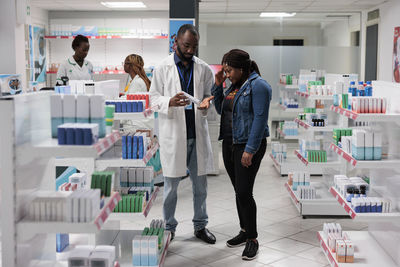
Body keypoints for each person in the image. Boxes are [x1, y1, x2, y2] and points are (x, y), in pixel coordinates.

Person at [149, 24, 216, 244]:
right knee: (170, 188)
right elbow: (153, 99)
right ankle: (169, 227)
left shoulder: (204, 68)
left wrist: (207, 103)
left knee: (200, 187)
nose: (190, 50)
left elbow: (209, 95)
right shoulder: (162, 68)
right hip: (173, 135)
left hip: (196, 133)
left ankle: (200, 226)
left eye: (194, 46)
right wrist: (169, 101)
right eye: (186, 45)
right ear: (175, 42)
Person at [211, 49, 272, 260]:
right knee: (239, 190)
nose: (226, 74)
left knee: (245, 192)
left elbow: (260, 120)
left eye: (229, 71)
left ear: (242, 68)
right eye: (224, 71)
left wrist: (250, 150)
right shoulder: (234, 87)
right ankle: (244, 230)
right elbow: (221, 109)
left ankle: (252, 239)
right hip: (230, 144)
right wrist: (218, 85)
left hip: (247, 145)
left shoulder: (259, 86)